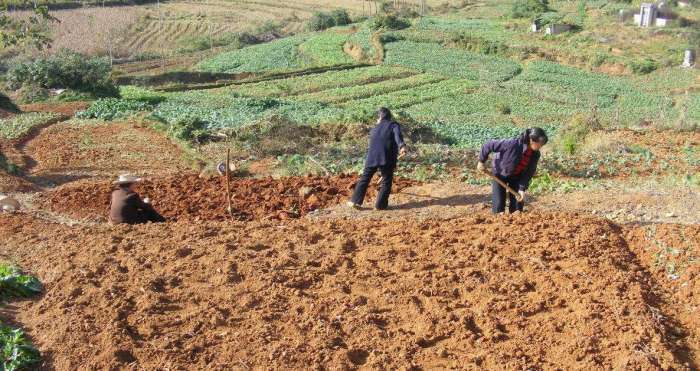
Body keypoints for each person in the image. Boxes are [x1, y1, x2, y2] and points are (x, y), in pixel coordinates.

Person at [347, 107, 407, 211]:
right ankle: (380, 205)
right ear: (389, 117)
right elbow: (398, 136)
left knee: (365, 179)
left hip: (371, 157)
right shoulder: (393, 125)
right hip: (386, 157)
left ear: (380, 117)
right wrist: (402, 146)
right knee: (386, 181)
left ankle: (354, 201)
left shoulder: (374, 128)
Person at [477, 127, 548, 214]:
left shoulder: (535, 154)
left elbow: (529, 172)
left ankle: (516, 222)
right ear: (532, 140)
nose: (540, 146)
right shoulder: (512, 144)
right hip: (499, 174)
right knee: (498, 205)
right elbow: (488, 145)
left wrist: (522, 189)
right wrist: (481, 161)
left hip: (517, 176)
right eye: (540, 144)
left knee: (517, 207)